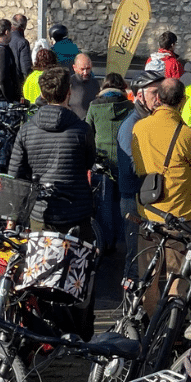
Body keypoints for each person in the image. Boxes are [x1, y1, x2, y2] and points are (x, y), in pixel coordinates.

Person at [8, 66, 96, 340]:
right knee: (79, 276)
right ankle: (80, 335)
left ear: (43, 94)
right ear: (68, 92)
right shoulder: (81, 129)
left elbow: (16, 176)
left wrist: (13, 217)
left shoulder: (26, 131)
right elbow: (89, 163)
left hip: (40, 214)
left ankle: (45, 334)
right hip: (76, 212)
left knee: (40, 276)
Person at [131, 78, 191, 315]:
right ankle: (171, 327)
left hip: (148, 211)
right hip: (179, 214)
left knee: (149, 273)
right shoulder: (187, 135)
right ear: (182, 101)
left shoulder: (139, 128)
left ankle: (149, 323)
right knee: (177, 275)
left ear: (157, 99)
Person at [117, 71, 165, 280]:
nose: (159, 98)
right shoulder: (132, 125)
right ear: (139, 96)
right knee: (137, 257)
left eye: (161, 92)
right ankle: (131, 307)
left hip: (147, 196)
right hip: (134, 199)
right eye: (155, 92)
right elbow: (135, 166)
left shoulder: (150, 120)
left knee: (150, 257)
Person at [85, 72, 134, 255]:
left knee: (104, 203)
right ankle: (123, 240)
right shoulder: (129, 107)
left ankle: (104, 241)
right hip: (124, 160)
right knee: (123, 200)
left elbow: (88, 131)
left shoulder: (94, 106)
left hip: (101, 160)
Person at [69, 53, 100, 120]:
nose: (85, 72)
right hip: (74, 124)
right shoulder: (69, 84)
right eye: (82, 69)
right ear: (75, 68)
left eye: (88, 68)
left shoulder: (95, 83)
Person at [9, 14, 32, 81]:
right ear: (24, 26)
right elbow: (25, 67)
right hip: (17, 80)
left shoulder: (6, 38)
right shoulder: (22, 42)